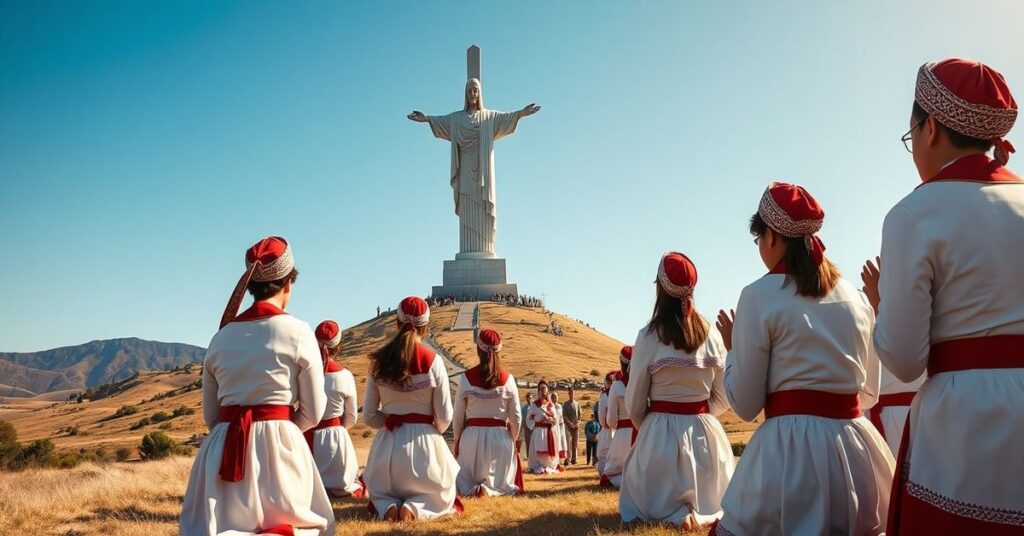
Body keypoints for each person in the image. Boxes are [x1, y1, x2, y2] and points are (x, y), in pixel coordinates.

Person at [862, 58, 1024, 534]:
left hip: (966, 424)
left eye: (911, 137)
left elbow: (905, 360)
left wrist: (882, 308)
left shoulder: (912, 214)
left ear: (929, 127)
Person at [709, 183, 893, 535]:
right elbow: (869, 394)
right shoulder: (856, 298)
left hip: (787, 455)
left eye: (758, 239)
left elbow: (746, 405)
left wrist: (733, 349)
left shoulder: (757, 296)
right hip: (855, 454)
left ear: (772, 238)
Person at [180, 236, 334, 536]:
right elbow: (314, 412)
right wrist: (281, 430)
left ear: (250, 285)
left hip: (223, 449)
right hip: (280, 446)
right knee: (304, 524)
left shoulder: (220, 338)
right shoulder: (299, 332)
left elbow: (211, 415)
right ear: (289, 283)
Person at [619, 251, 735, 529]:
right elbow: (722, 396)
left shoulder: (648, 336)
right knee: (718, 499)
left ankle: (674, 512)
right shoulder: (712, 335)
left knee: (642, 498)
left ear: (660, 289)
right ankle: (702, 510)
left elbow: (634, 402)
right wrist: (703, 415)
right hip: (706, 437)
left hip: (661, 437)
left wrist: (649, 428)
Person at [362, 297, 462, 522]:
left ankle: (387, 505)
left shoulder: (378, 362)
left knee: (384, 491)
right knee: (439, 491)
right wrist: (431, 428)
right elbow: (445, 415)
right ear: (425, 327)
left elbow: (369, 415)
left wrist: (389, 421)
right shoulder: (434, 362)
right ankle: (417, 508)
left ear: (397, 323)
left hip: (387, 452)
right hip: (423, 452)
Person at [453, 328, 524, 497]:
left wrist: (457, 440)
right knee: (500, 482)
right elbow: (516, 417)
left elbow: (457, 415)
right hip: (500, 439)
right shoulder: (508, 380)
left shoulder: (466, 378)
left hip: (471, 438)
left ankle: (474, 487)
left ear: (478, 349)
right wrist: (513, 439)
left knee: (466, 478)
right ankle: (491, 488)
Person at [306, 320, 364, 498]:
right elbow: (351, 417)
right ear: (337, 346)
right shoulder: (345, 376)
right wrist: (337, 428)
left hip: (308, 438)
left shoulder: (304, 373)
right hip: (336, 440)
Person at [600, 346, 634, 488]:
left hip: (623, 434)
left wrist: (616, 426)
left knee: (615, 470)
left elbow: (611, 419)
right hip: (642, 432)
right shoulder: (641, 383)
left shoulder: (616, 387)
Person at [525, 380, 560, 474]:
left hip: (549, 432)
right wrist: (537, 419)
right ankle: (537, 465)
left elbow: (556, 420)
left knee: (548, 455)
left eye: (544, 388)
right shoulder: (534, 405)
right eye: (540, 389)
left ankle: (548, 465)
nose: (542, 390)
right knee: (537, 452)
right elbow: (528, 419)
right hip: (538, 431)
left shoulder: (551, 405)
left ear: (547, 390)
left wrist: (550, 419)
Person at [594, 370, 616, 477]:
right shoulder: (619, 393)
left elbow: (601, 415)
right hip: (615, 429)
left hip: (608, 428)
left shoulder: (605, 396)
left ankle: (605, 473)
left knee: (604, 452)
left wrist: (605, 423)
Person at [562, 387, 581, 465]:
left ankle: (574, 458)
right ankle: (568, 459)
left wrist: (577, 423)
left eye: (572, 393)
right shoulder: (565, 404)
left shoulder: (577, 404)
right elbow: (564, 416)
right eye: (570, 393)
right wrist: (570, 424)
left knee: (575, 443)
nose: (571, 394)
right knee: (568, 443)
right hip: (568, 426)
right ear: (568, 394)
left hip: (576, 427)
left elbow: (580, 415)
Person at [550, 391, 567, 466]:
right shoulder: (549, 406)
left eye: (555, 397)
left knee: (562, 442)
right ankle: (555, 460)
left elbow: (561, 416)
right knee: (555, 442)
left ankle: (562, 459)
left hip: (560, 426)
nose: (554, 398)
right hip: (553, 427)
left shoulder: (560, 406)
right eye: (552, 397)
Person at [519, 391, 534, 459]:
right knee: (528, 443)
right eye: (528, 398)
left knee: (534, 443)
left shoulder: (534, 407)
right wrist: (522, 427)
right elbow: (522, 418)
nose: (529, 399)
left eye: (530, 398)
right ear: (526, 399)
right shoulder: (524, 408)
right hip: (527, 428)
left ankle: (534, 457)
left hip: (534, 427)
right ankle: (529, 457)